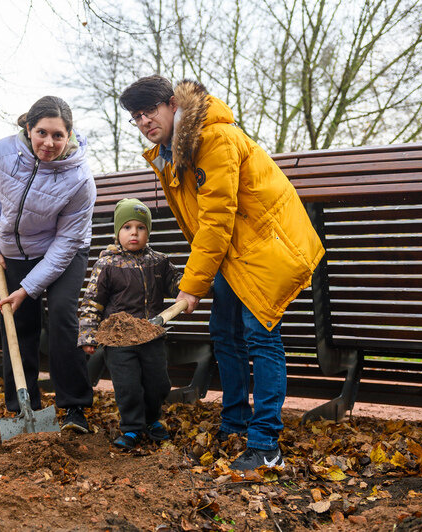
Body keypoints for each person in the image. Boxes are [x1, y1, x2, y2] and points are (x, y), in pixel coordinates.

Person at [119, 76, 325, 470]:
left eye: (150, 111)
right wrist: (203, 276)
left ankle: (266, 444)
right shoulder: (170, 152)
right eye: (136, 117)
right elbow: (202, 225)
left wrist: (193, 284)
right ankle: (234, 423)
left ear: (173, 104)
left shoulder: (213, 138)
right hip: (235, 251)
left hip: (268, 247)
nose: (144, 121)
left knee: (259, 335)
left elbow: (215, 220)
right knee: (225, 335)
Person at [0, 96, 95, 433]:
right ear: (28, 128)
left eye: (58, 135)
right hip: (13, 251)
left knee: (60, 316)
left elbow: (66, 242)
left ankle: (74, 408)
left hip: (63, 252)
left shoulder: (80, 179)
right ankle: (21, 407)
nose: (49, 143)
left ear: (69, 135)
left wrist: (28, 288)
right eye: (42, 132)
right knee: (17, 325)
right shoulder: (2, 153)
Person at [77, 198, 183, 449]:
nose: (134, 232)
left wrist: (193, 283)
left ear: (148, 232)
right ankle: (133, 427)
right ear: (118, 232)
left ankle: (151, 419)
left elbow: (178, 284)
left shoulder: (159, 261)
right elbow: (92, 301)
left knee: (158, 382)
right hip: (119, 339)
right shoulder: (108, 264)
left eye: (140, 227)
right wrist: (88, 335)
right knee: (128, 385)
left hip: (151, 336)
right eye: (127, 227)